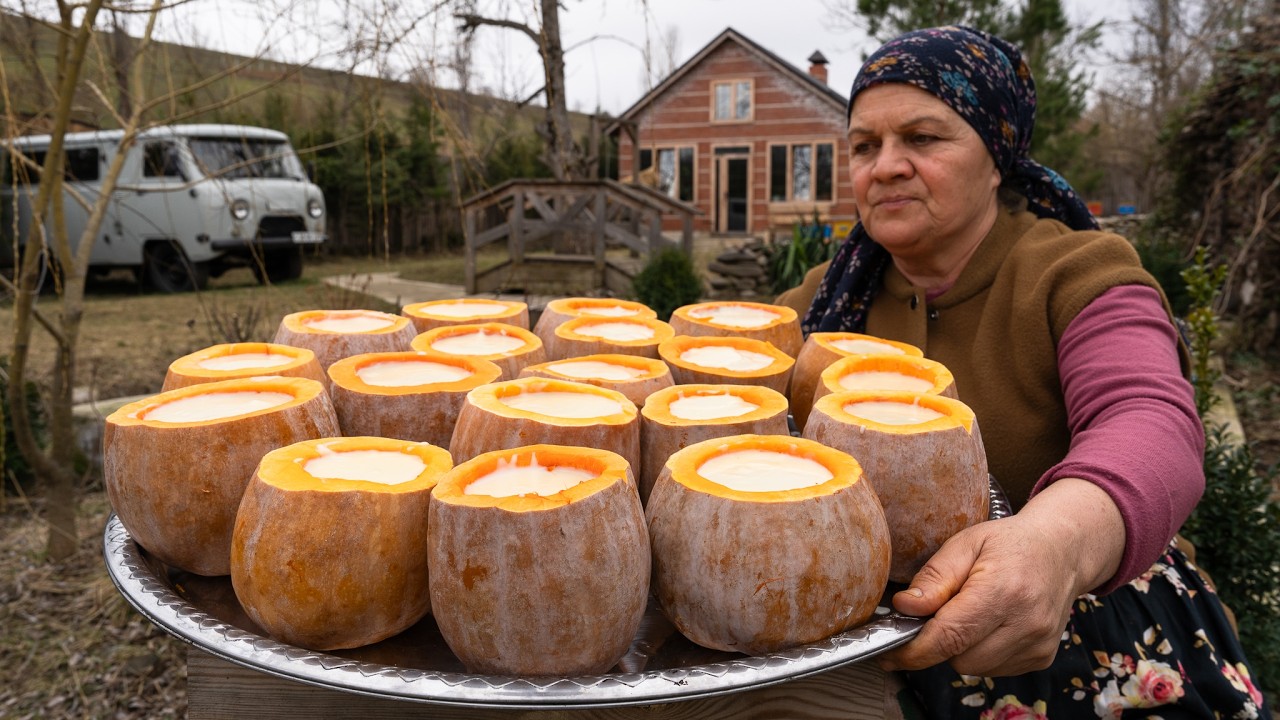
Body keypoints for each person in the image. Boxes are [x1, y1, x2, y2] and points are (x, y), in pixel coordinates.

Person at [775, 26, 1270, 719]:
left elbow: (1150, 420)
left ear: (997, 154)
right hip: (863, 650)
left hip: (1082, 633)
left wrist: (1058, 542)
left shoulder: (1077, 272)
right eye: (865, 145)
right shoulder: (826, 300)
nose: (885, 166)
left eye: (922, 138)